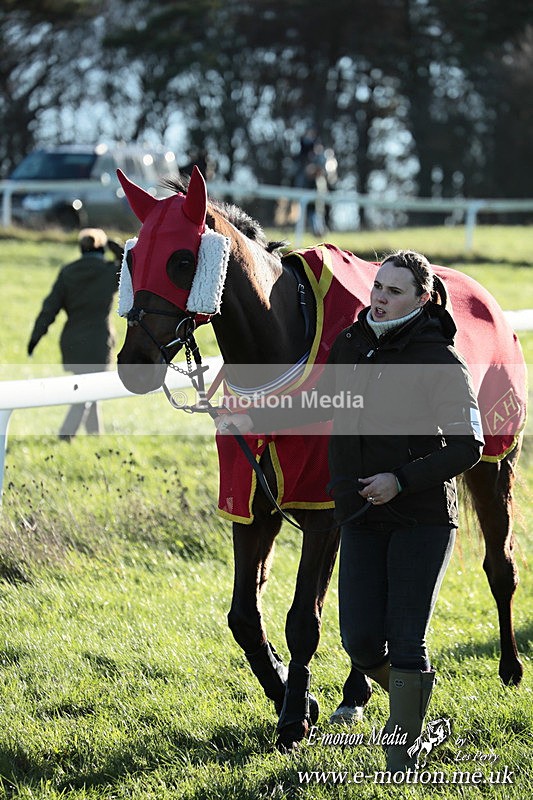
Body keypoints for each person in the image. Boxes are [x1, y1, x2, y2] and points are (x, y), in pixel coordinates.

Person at [216, 250, 484, 773]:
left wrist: (399, 480)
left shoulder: (440, 360)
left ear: (422, 299)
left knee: (406, 640)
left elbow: (467, 445)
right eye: (377, 287)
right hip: (359, 516)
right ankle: (418, 705)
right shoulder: (352, 343)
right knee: (361, 643)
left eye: (394, 292)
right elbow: (322, 404)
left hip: (421, 518)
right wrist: (250, 415)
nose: (379, 298)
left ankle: (404, 752)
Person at [27, 228, 122, 440]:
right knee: (87, 392)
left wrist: (35, 338)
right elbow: (130, 267)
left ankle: (95, 438)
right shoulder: (109, 271)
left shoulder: (68, 272)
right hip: (99, 341)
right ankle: (65, 435)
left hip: (73, 341)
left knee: (90, 390)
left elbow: (49, 309)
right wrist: (117, 248)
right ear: (102, 247)